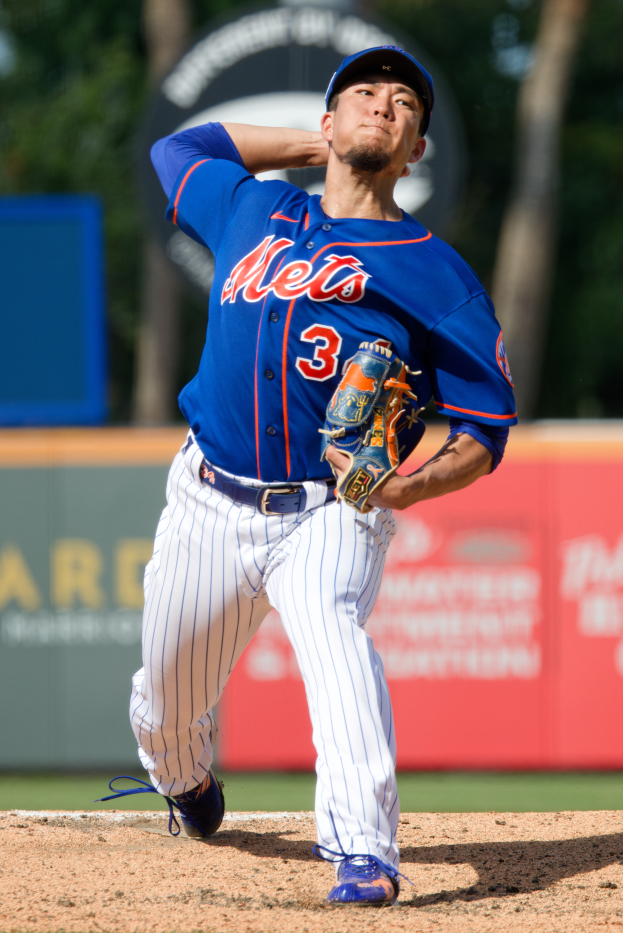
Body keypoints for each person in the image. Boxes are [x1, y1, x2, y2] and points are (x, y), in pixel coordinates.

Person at [120, 46, 516, 906]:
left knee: (338, 643)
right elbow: (175, 153)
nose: (384, 105)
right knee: (162, 701)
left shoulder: (434, 271)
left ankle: (362, 852)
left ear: (417, 149)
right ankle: (185, 783)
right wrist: (314, 146)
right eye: (362, 95)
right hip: (208, 496)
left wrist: (408, 488)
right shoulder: (249, 207)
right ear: (328, 122)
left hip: (333, 507)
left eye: (404, 101)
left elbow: (487, 426)